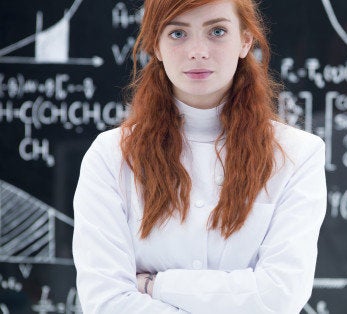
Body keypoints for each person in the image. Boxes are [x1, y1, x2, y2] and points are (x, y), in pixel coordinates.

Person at [71, 0, 327, 313]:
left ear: (245, 40)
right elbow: (106, 301)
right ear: (157, 46)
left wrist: (156, 285)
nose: (197, 51)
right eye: (178, 34)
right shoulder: (111, 156)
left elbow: (280, 294)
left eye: (217, 31)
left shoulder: (297, 154)